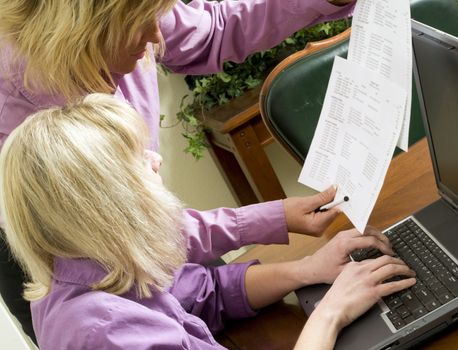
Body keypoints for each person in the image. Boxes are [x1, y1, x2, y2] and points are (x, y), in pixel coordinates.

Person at [0, 0, 360, 342]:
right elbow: (134, 238)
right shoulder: (102, 319)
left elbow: (197, 292)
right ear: (86, 28)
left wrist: (304, 266)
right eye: (141, 23)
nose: (159, 38)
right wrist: (329, 314)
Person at [0, 94, 415, 349]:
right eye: (139, 160)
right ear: (108, 203)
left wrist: (308, 270)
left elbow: (206, 293)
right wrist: (332, 312)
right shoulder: (108, 332)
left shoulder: (85, 265)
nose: (156, 159)